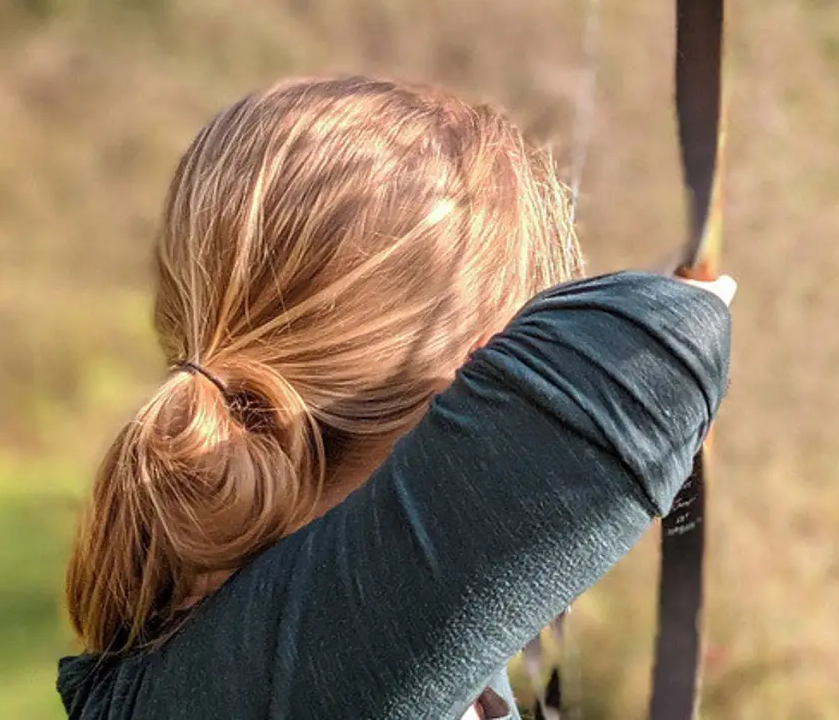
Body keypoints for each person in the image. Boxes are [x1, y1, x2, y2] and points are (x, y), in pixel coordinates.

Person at [56, 75, 736, 720]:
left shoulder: (262, 647)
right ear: (478, 370)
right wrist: (690, 315)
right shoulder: (310, 666)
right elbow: (654, 347)